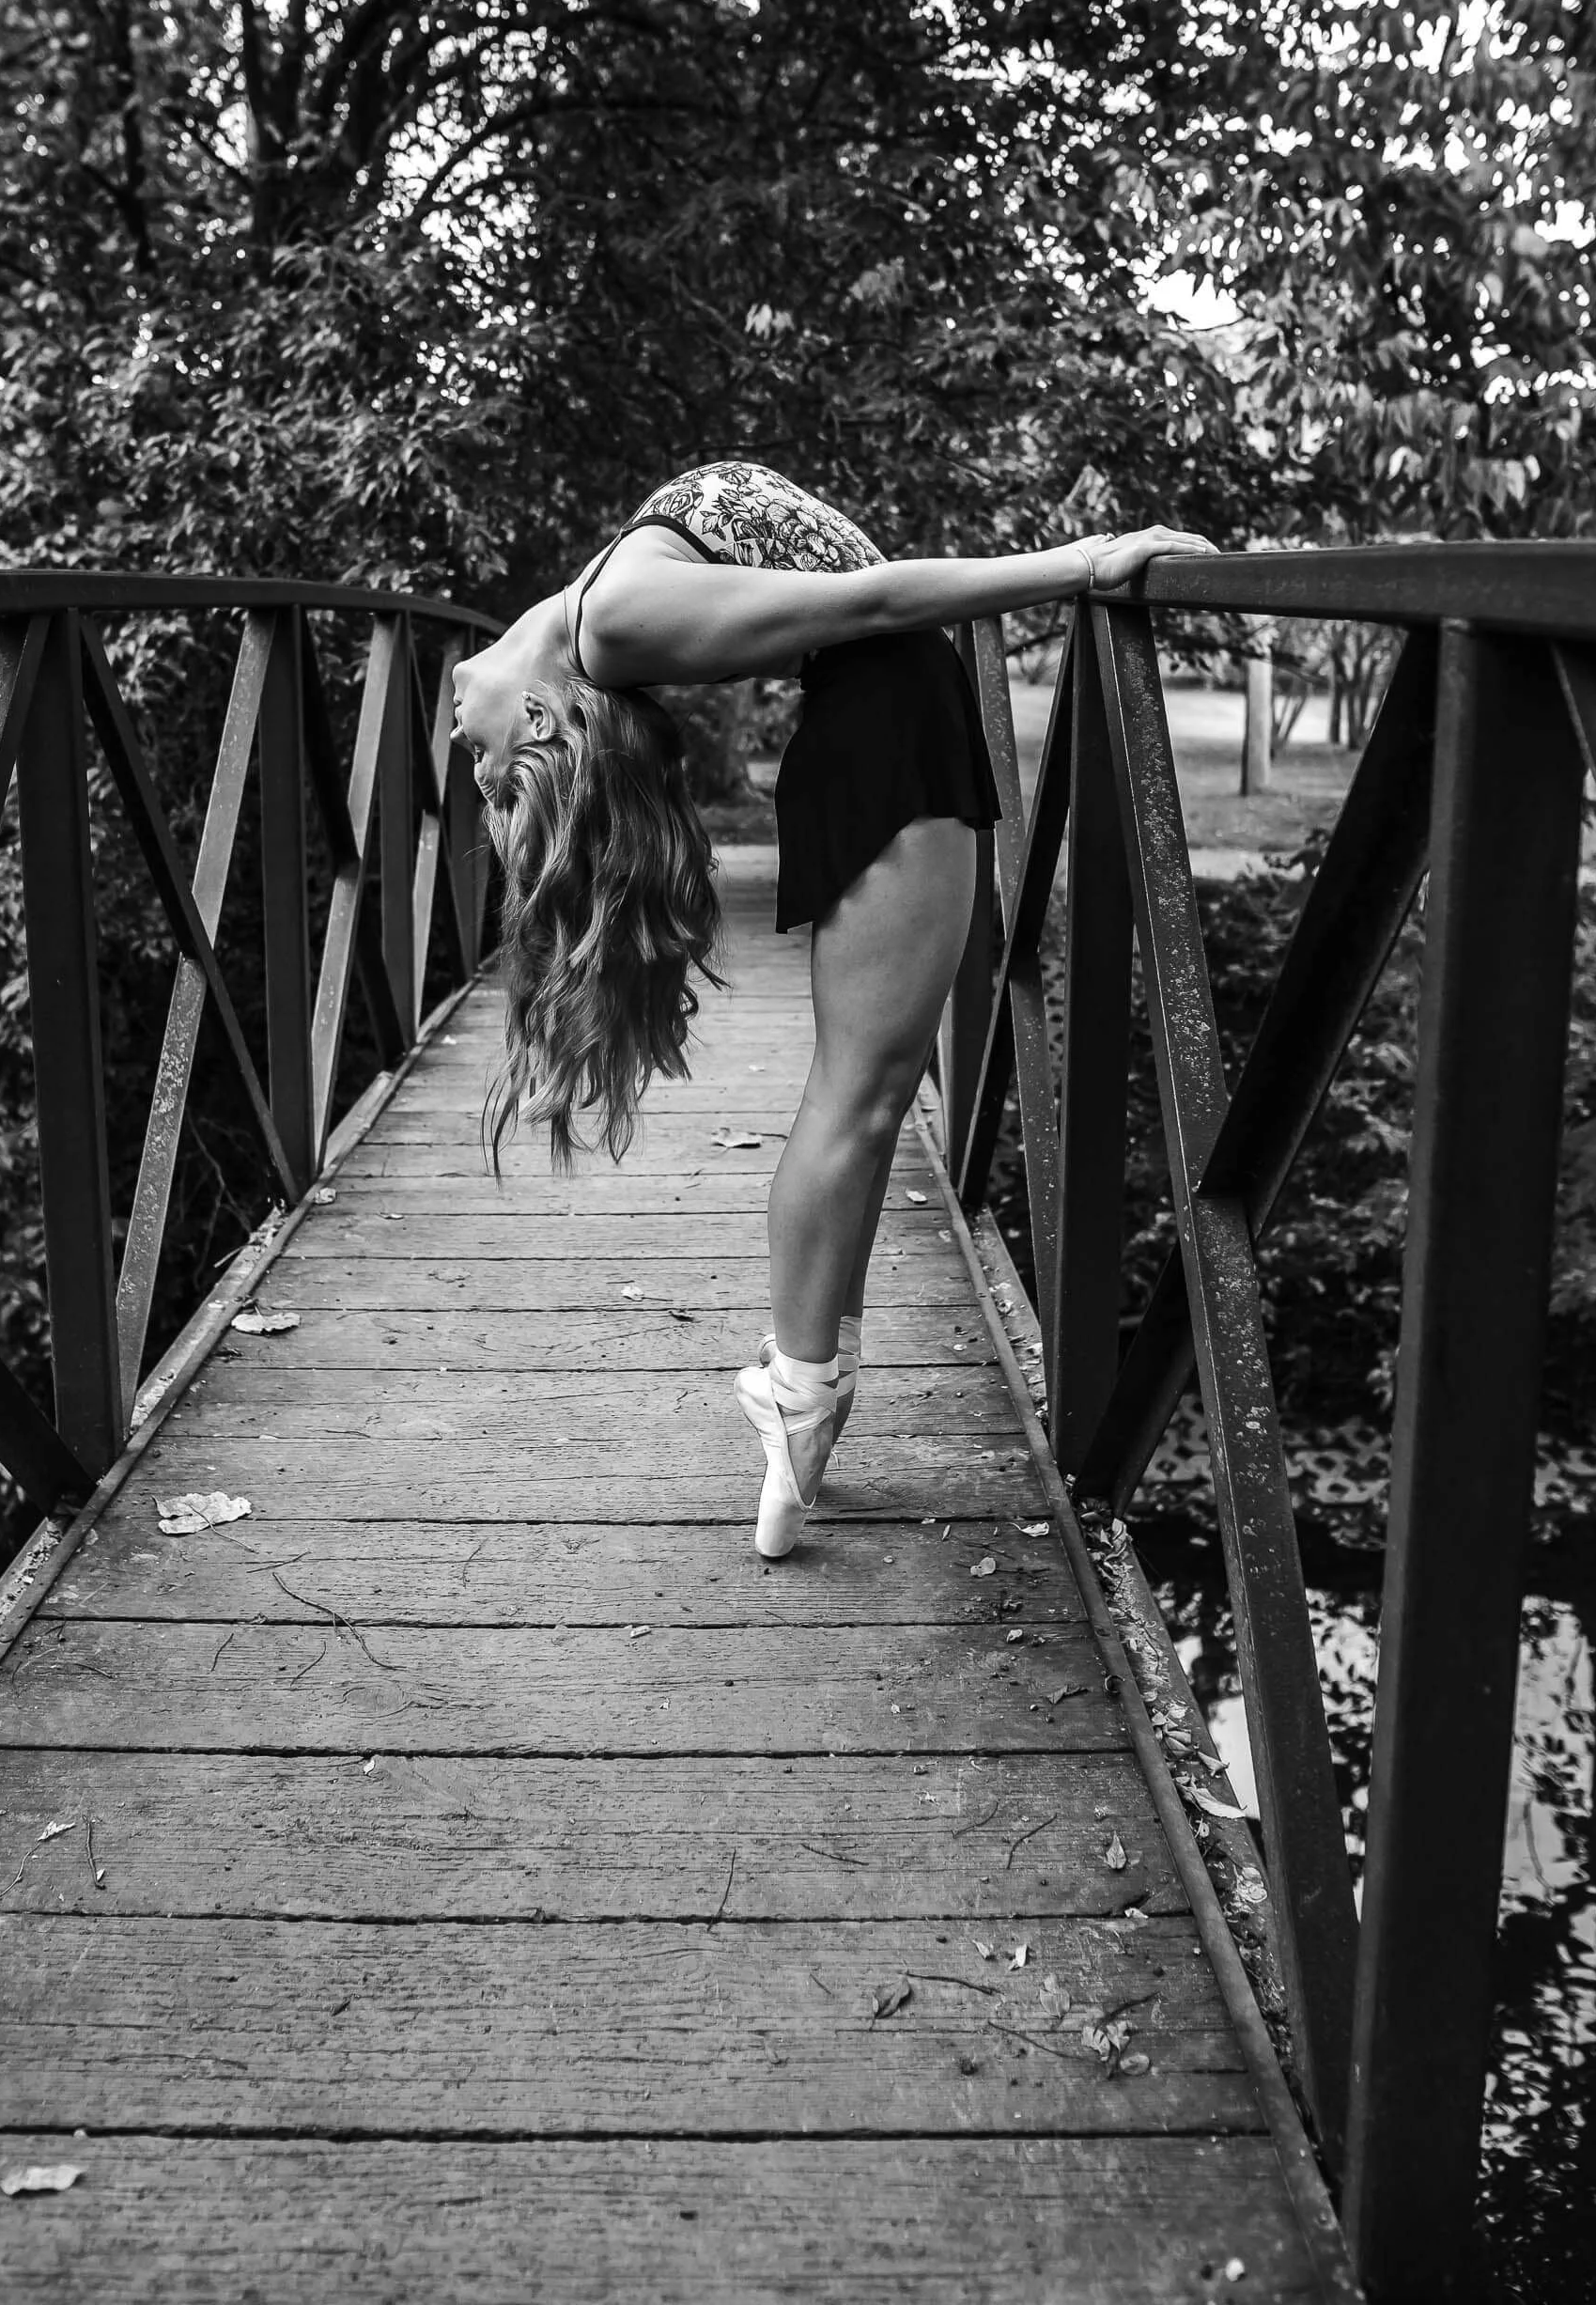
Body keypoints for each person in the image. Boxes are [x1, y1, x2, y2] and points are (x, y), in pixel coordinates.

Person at [451, 460, 1211, 1559]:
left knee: (868, 1093)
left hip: (887, 738)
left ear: (536, 710)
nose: (467, 749)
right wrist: (1081, 564)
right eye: (485, 764)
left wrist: (1083, 562)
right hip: (888, 747)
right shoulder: (612, 621)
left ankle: (810, 1387)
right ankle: (797, 1398)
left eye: (482, 761)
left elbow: (867, 603)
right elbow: (874, 602)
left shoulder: (604, 608)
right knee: (857, 1099)